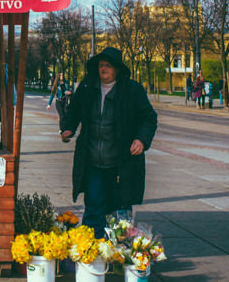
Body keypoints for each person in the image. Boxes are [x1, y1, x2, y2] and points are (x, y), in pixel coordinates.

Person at [60, 47, 157, 236]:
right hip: (93, 160)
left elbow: (149, 118)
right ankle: (92, 252)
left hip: (121, 162)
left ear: (117, 69)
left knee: (119, 209)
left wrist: (141, 140)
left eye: (108, 66)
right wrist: (67, 128)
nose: (103, 69)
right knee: (94, 205)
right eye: (101, 65)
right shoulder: (88, 87)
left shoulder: (132, 90)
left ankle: (118, 251)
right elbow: (74, 111)